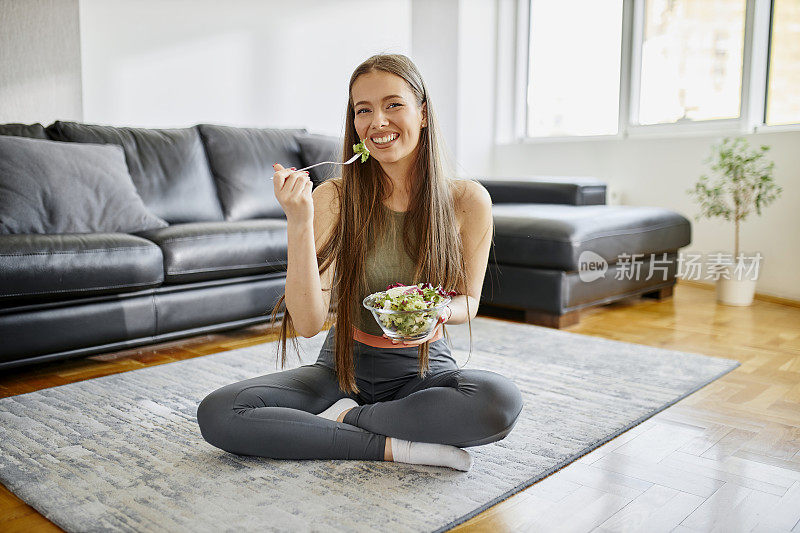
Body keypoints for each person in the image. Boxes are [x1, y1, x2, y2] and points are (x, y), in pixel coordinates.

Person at [197, 53, 523, 471]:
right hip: (341, 369)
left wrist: (439, 309)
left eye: (393, 105)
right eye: (363, 110)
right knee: (220, 412)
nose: (378, 122)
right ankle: (395, 446)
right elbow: (310, 322)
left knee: (499, 402)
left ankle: (343, 421)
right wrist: (299, 222)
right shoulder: (333, 197)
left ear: (423, 114)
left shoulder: (466, 201)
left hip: (424, 372)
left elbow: (469, 302)